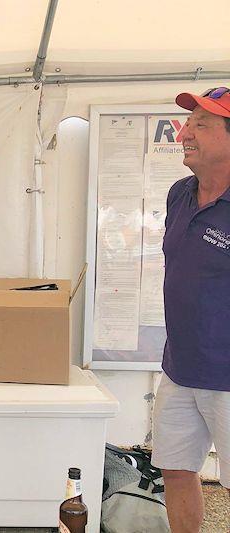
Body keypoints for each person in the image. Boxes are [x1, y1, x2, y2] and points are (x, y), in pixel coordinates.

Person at [152, 87, 230, 533]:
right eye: (188, 122)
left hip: (228, 378)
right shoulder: (179, 194)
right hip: (179, 370)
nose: (185, 132)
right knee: (177, 471)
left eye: (202, 124)